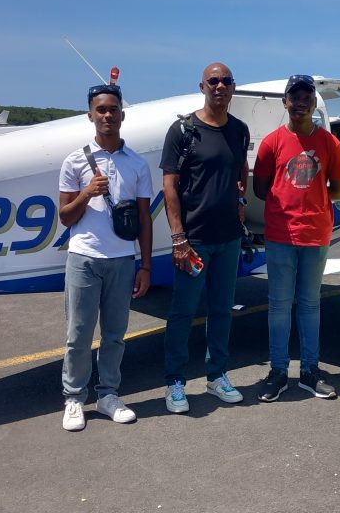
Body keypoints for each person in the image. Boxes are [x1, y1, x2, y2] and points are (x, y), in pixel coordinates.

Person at [58, 83, 153, 431]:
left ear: (122, 115)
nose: (107, 115)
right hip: (84, 258)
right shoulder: (74, 161)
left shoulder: (137, 164)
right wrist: (86, 193)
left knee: (115, 334)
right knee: (79, 334)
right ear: (90, 116)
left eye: (113, 109)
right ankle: (74, 398)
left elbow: (144, 218)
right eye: (101, 110)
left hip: (122, 260)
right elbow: (65, 217)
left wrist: (144, 265)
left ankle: (108, 394)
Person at [159, 62, 250, 414]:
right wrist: (178, 237)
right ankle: (175, 381)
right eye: (213, 81)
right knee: (183, 312)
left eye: (226, 81)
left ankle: (217, 375)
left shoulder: (239, 130)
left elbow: (240, 168)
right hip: (194, 240)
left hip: (228, 239)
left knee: (222, 310)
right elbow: (170, 186)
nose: (220, 86)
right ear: (202, 87)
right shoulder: (183, 131)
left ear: (233, 87)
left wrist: (240, 200)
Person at [252, 74, 340, 402]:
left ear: (313, 103)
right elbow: (261, 188)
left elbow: (339, 189)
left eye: (307, 97)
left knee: (310, 304)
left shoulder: (330, 143)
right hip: (280, 235)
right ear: (285, 102)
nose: (300, 103)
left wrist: (312, 201)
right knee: (279, 305)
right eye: (294, 97)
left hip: (315, 235)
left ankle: (310, 370)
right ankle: (278, 370)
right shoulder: (271, 143)